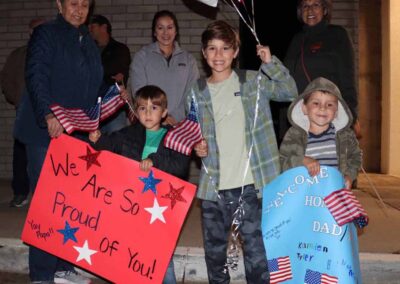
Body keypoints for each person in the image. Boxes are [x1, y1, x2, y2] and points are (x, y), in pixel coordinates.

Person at [191, 20, 297, 283]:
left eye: (225, 48)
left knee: (256, 253)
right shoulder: (196, 91)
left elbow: (289, 92)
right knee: (215, 254)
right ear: (204, 53)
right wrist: (196, 147)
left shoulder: (252, 81)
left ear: (235, 51)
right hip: (213, 187)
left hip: (250, 185)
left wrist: (271, 63)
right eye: (212, 49)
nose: (218, 55)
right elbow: (193, 131)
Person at [13, 0, 103, 283]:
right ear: (59, 4)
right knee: (46, 203)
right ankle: (41, 273)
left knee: (70, 203)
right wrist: (47, 113)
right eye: (73, 3)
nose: (79, 9)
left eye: (85, 4)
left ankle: (62, 266)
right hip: (45, 131)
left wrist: (97, 117)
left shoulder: (88, 41)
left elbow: (92, 85)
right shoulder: (47, 33)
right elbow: (36, 75)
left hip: (75, 134)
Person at [89, 85, 190, 284]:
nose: (148, 113)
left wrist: (154, 161)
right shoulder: (128, 133)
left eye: (154, 108)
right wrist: (97, 140)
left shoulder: (174, 137)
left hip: (160, 209)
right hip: (132, 206)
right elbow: (111, 144)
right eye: (143, 108)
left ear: (164, 112)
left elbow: (180, 165)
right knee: (129, 253)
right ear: (136, 111)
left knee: (161, 257)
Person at [283, 0, 360, 141]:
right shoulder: (297, 39)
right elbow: (286, 77)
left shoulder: (337, 35)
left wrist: (352, 116)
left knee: (330, 160)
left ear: (325, 10)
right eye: (305, 6)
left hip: (330, 114)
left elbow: (348, 77)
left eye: (315, 5)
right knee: (304, 161)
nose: (310, 10)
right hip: (303, 116)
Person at [279, 77, 361, 189]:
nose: (323, 108)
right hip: (304, 195)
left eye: (330, 105)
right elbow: (281, 161)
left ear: (337, 111)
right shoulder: (294, 135)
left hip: (334, 193)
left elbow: (356, 157)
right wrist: (301, 160)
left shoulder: (345, 136)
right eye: (316, 103)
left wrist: (349, 176)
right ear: (304, 108)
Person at [0, 18, 45, 208]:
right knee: (20, 153)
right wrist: (18, 100)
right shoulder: (18, 55)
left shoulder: (50, 54)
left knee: (42, 157)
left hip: (46, 113)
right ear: (29, 32)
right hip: (24, 111)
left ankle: (45, 197)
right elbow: (6, 79)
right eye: (35, 30)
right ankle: (20, 192)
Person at [130, 10, 199, 126]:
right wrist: (160, 117)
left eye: (170, 27)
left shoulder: (189, 60)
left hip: (179, 124)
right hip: (150, 124)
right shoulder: (141, 57)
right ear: (154, 32)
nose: (165, 33)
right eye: (160, 28)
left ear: (176, 31)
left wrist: (173, 117)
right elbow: (139, 93)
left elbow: (192, 95)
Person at [89, 14, 132, 133]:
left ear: (103, 27)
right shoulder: (88, 50)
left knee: (116, 144)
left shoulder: (120, 49)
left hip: (114, 107)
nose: (90, 30)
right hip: (92, 108)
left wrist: (94, 71)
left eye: (93, 26)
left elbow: (115, 70)